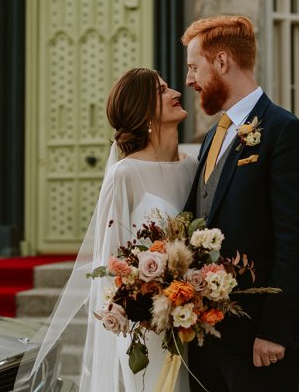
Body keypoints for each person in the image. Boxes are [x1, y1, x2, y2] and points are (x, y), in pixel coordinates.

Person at [17, 68, 197, 391]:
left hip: (195, 320)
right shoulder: (125, 175)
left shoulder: (193, 167)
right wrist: (142, 306)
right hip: (149, 328)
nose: (176, 93)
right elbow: (110, 266)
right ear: (143, 112)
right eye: (162, 91)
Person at [181, 15, 299, 391]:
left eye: (195, 67)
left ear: (222, 62)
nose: (190, 80)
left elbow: (297, 240)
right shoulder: (212, 137)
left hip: (261, 342)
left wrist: (275, 331)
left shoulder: (284, 131)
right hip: (208, 336)